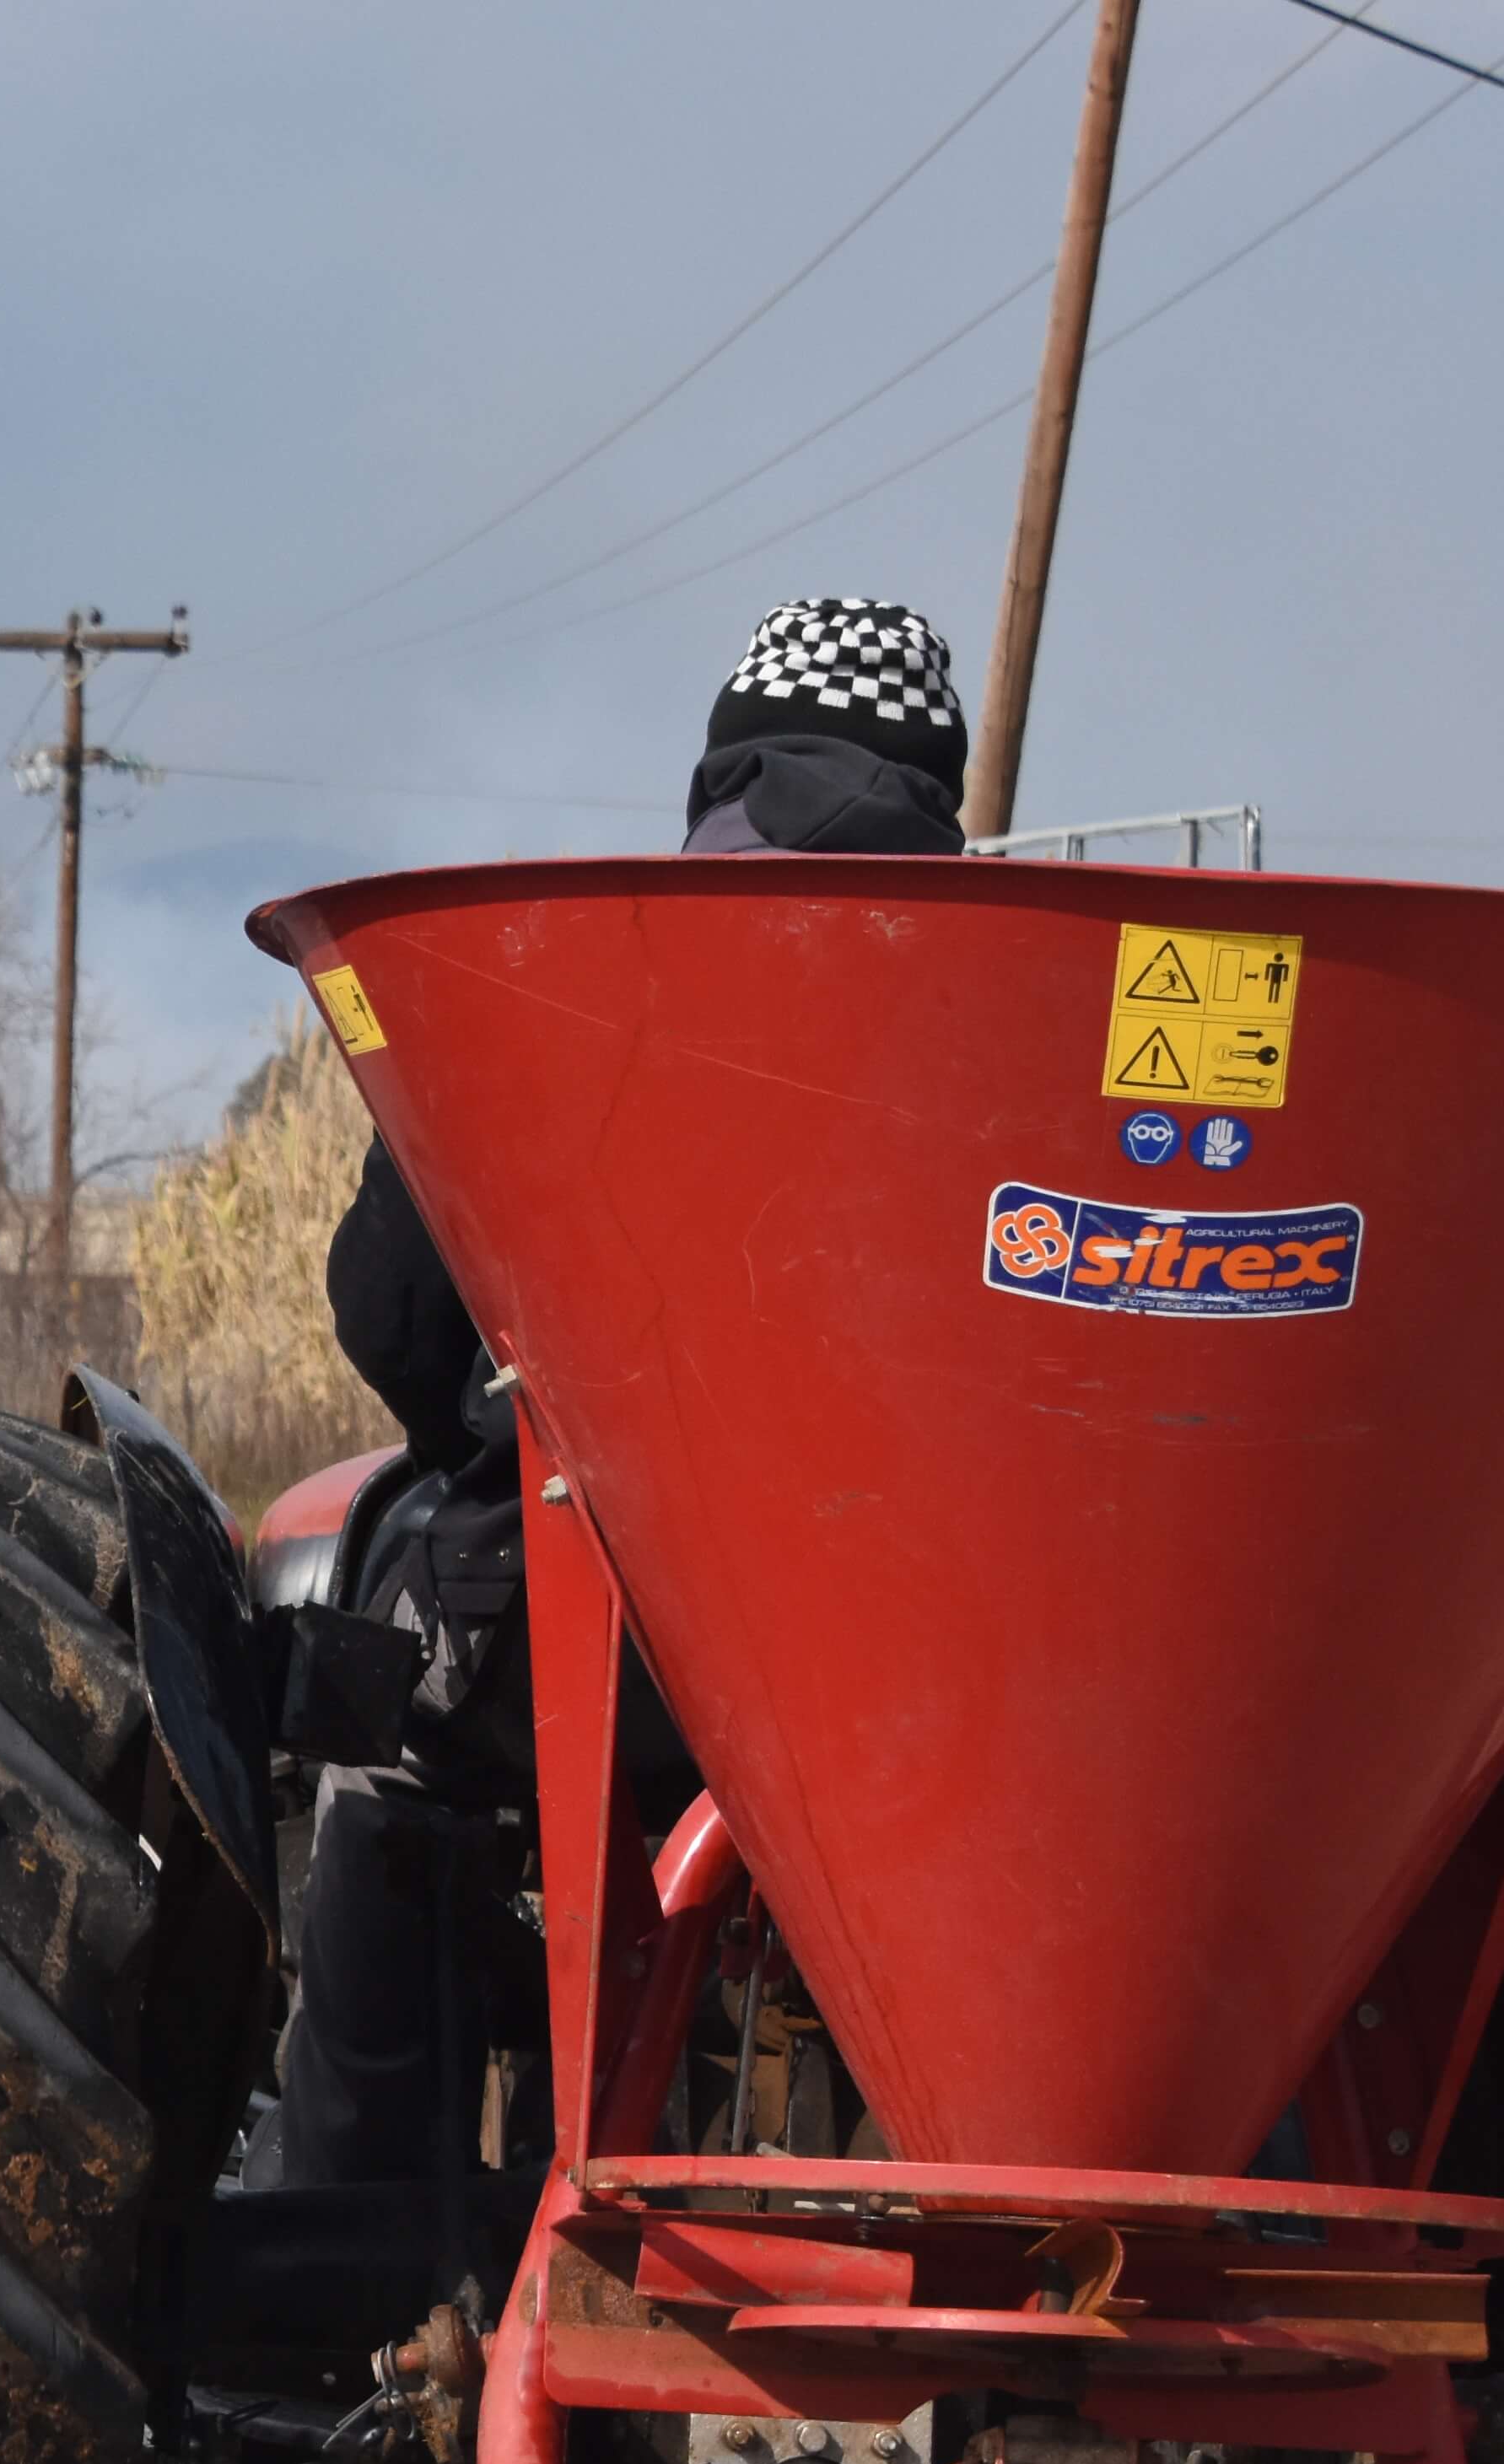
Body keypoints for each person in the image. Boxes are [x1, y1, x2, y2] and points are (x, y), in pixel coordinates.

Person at [267, 600, 970, 2194]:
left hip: (611, 1657)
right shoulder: (1040, 998)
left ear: (723, 757)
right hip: (948, 1698)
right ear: (942, 782)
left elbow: (392, 1316)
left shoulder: (569, 969)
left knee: (387, 1759)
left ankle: (360, 2261)